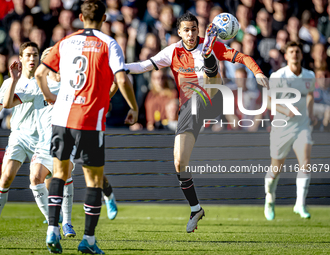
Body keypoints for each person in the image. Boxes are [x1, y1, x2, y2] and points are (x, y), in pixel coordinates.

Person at [125, 12, 268, 233]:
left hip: (214, 98)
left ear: (198, 30)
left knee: (208, 80)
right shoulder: (172, 51)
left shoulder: (207, 45)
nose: (191, 34)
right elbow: (143, 66)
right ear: (179, 32)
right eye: (186, 30)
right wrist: (119, 68)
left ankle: (209, 56)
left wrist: (257, 72)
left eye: (194, 29)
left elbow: (242, 57)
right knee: (179, 162)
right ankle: (196, 208)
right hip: (190, 109)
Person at [34, 0, 138, 254]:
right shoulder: (108, 42)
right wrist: (133, 107)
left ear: (80, 16)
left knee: (58, 174)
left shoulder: (66, 42)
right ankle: (88, 241)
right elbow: (121, 77)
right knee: (93, 181)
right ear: (104, 18)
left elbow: (39, 73)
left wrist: (50, 96)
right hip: (90, 120)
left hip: (61, 118)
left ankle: (52, 230)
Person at [2, 47, 76, 237]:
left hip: (65, 139)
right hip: (43, 144)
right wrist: (14, 80)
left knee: (64, 174)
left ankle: (67, 223)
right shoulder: (36, 86)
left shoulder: (71, 84)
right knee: (35, 178)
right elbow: (8, 104)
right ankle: (55, 220)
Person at [264, 41, 317, 221]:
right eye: (291, 51)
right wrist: (283, 110)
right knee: (275, 169)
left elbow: (309, 95)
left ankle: (300, 204)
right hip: (281, 127)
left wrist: (310, 115)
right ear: (286, 56)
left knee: (306, 162)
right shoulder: (278, 76)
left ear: (301, 55)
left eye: (297, 51)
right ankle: (269, 198)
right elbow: (269, 101)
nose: (294, 54)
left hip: (302, 126)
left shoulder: (309, 75)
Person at [0, 42, 39, 231]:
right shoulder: (10, 82)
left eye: (35, 55)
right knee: (7, 176)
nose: (32, 59)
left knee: (48, 183)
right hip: (18, 135)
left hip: (40, 138)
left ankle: (57, 221)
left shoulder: (45, 80)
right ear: (20, 59)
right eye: (28, 55)